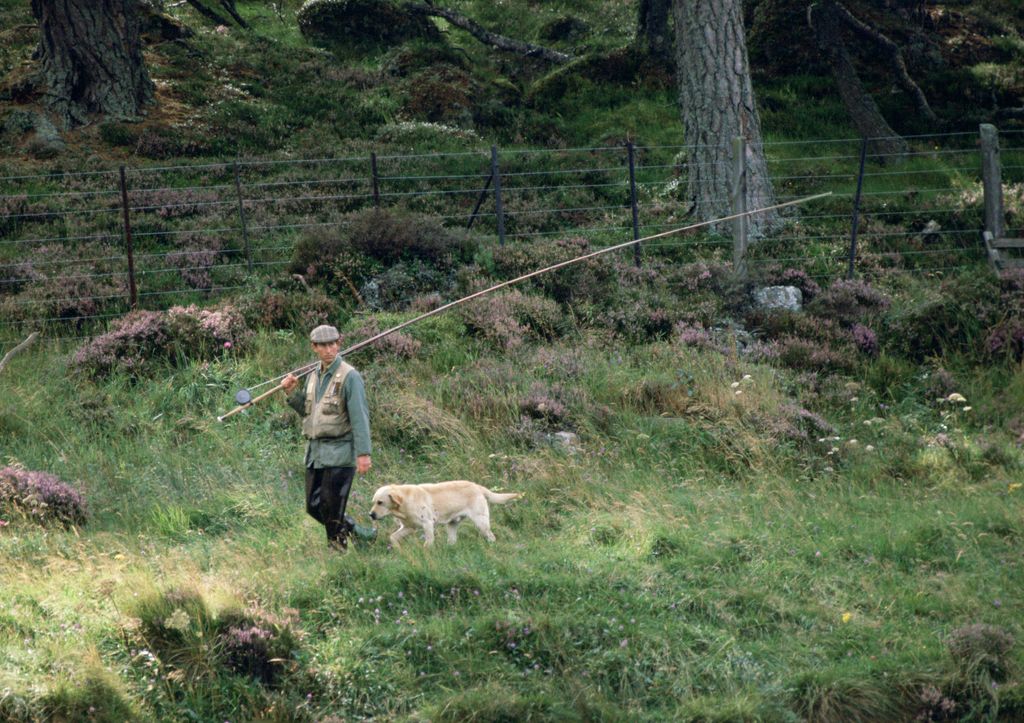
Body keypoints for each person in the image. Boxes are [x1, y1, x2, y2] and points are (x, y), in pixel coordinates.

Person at [282, 324, 372, 551]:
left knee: (332, 510)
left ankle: (337, 555)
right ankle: (358, 533)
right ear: (314, 347)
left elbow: (360, 417)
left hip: (340, 453)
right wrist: (292, 393)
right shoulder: (313, 376)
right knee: (313, 506)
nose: (329, 349)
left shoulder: (350, 376)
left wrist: (363, 453)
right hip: (316, 453)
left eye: (333, 344)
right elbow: (308, 411)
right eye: (323, 345)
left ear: (338, 344)